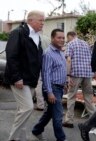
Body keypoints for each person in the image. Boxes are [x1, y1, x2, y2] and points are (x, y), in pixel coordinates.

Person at [4, 10, 45, 141]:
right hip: (19, 79)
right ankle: (13, 138)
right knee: (28, 107)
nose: (43, 23)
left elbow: (37, 58)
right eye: (41, 20)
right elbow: (11, 55)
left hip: (31, 79)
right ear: (31, 20)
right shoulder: (18, 33)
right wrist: (16, 77)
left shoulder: (37, 36)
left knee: (22, 111)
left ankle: (21, 138)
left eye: (43, 20)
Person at [31, 29, 67, 141]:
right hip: (52, 88)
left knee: (50, 113)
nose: (62, 40)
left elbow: (60, 70)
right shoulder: (48, 54)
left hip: (59, 87)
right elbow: (46, 74)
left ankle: (36, 130)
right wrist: (49, 92)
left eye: (63, 38)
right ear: (52, 38)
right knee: (58, 115)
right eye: (59, 38)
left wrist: (64, 83)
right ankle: (61, 138)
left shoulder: (60, 52)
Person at [63, 31, 96, 128]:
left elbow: (68, 60)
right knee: (89, 97)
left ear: (70, 36)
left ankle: (69, 120)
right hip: (88, 73)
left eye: (67, 38)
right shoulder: (86, 44)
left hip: (76, 73)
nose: (67, 40)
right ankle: (94, 119)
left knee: (71, 96)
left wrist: (68, 75)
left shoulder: (71, 44)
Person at [34, 35, 51, 111]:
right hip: (49, 62)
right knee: (48, 83)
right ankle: (49, 103)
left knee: (39, 84)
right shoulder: (47, 38)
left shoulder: (36, 38)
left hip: (40, 62)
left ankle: (40, 105)